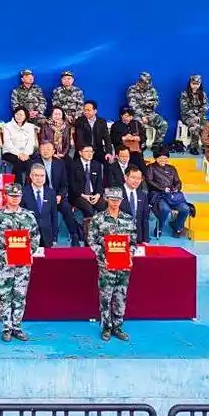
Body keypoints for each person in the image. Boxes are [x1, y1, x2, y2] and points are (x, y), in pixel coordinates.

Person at [0, 182, 38, 341]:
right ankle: (6, 328)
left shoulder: (29, 216)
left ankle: (17, 327)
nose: (15, 198)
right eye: (12, 195)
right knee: (4, 296)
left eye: (18, 196)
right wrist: (5, 254)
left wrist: (28, 252)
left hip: (23, 265)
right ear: (5, 196)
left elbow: (35, 238)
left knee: (20, 296)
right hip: (4, 264)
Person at [87, 188, 138, 342]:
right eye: (112, 199)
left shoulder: (128, 219)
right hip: (106, 265)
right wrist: (103, 256)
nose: (115, 202)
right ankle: (106, 328)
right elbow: (91, 241)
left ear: (121, 201)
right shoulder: (98, 219)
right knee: (106, 297)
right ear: (106, 199)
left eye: (118, 200)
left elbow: (133, 242)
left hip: (123, 266)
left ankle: (118, 327)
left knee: (120, 296)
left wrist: (130, 255)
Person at [146, 149, 192, 239]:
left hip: (172, 195)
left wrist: (176, 188)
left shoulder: (172, 168)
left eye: (165, 158)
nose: (163, 160)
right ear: (156, 158)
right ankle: (159, 227)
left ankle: (177, 226)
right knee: (165, 209)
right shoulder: (150, 168)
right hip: (158, 195)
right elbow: (149, 181)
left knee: (185, 209)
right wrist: (163, 188)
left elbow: (178, 181)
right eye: (161, 158)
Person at [68, 144, 105, 245]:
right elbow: (72, 185)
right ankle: (89, 240)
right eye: (87, 151)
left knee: (104, 207)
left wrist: (98, 195)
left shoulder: (97, 165)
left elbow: (100, 183)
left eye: (91, 152)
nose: (89, 154)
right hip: (79, 195)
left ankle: (102, 237)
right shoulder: (73, 165)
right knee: (88, 209)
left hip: (94, 195)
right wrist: (84, 196)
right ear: (80, 153)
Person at [126, 72, 168, 152]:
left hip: (150, 113)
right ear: (140, 81)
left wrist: (152, 104)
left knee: (163, 124)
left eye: (147, 83)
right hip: (137, 114)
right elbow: (133, 105)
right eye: (144, 83)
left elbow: (156, 102)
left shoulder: (152, 90)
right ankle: (142, 143)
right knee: (138, 123)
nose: (146, 85)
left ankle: (156, 144)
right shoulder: (132, 89)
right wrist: (142, 115)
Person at [21, 164, 58, 248]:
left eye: (42, 176)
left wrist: (55, 237)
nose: (39, 178)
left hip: (47, 236)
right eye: (36, 175)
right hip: (29, 236)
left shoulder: (51, 193)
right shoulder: (23, 192)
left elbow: (54, 216)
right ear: (31, 176)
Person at [1, 108, 38, 183]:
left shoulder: (30, 126)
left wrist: (26, 154)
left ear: (25, 116)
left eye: (21, 115)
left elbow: (31, 142)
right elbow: (8, 143)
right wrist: (19, 154)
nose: (18, 116)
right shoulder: (7, 126)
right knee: (18, 162)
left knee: (29, 163)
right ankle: (18, 186)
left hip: (26, 154)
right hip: (10, 153)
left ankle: (29, 186)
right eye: (17, 114)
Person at [118, 166, 152, 244]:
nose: (136, 181)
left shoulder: (142, 195)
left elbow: (145, 219)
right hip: (119, 238)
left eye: (139, 178)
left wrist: (145, 240)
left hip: (138, 238)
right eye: (133, 177)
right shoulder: (116, 192)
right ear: (125, 177)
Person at [178, 75, 208, 155]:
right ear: (190, 83)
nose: (195, 86)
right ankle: (193, 147)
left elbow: (206, 106)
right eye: (193, 84)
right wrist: (194, 116)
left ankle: (205, 147)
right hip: (188, 116)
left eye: (197, 84)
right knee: (195, 127)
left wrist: (199, 115)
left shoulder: (203, 94)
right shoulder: (184, 94)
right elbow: (184, 108)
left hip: (200, 116)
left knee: (206, 127)